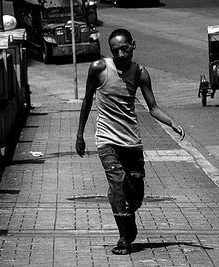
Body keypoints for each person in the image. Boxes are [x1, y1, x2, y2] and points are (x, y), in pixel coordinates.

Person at [75, 28, 185, 255]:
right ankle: (125, 238)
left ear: (133, 45)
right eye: (116, 51)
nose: (121, 54)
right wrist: (79, 136)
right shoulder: (99, 68)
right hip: (106, 140)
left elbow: (152, 107)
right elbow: (87, 100)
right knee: (118, 185)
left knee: (135, 194)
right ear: (111, 51)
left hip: (132, 142)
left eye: (125, 48)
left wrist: (172, 123)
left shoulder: (140, 73)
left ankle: (127, 212)